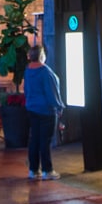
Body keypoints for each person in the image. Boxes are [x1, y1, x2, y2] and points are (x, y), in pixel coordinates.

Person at [22, 43, 64, 181]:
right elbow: (51, 92)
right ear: (42, 56)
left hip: (32, 109)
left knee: (34, 139)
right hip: (46, 111)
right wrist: (58, 107)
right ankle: (48, 169)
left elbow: (27, 90)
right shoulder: (45, 72)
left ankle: (33, 170)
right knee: (45, 141)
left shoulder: (28, 70)